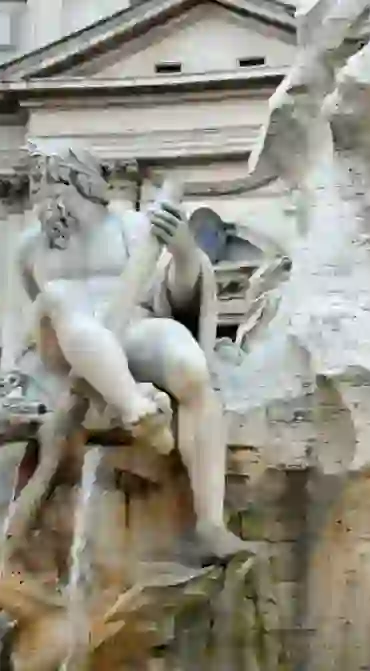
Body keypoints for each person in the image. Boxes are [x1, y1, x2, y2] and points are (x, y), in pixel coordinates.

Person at [16, 141, 248, 562]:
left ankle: (210, 525)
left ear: (84, 183)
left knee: (191, 370)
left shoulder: (129, 227)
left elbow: (175, 295)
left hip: (132, 327)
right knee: (57, 297)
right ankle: (134, 406)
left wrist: (182, 250)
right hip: (67, 350)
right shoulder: (29, 248)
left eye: (55, 182)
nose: (44, 196)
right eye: (37, 185)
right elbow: (33, 317)